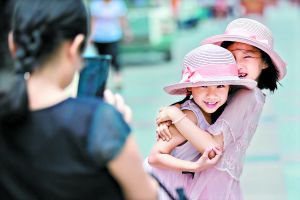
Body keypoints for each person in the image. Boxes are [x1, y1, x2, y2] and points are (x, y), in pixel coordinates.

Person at [0, 0, 158, 199]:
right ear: (74, 47)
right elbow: (145, 195)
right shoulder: (99, 121)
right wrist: (119, 129)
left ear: (13, 45)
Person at [155, 18, 287, 199]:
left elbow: (213, 146)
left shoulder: (247, 95)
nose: (239, 64)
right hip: (214, 181)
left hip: (212, 183)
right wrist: (173, 113)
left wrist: (176, 115)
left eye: (247, 56)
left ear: (265, 63)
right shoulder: (228, 91)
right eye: (232, 56)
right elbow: (196, 109)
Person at [145, 44, 257, 199]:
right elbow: (155, 157)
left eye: (220, 86)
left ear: (229, 88)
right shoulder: (189, 116)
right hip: (163, 183)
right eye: (203, 85)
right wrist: (195, 167)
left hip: (180, 182)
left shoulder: (216, 113)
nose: (212, 95)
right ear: (190, 88)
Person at [89, 0, 132, 90]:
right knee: (102, 59)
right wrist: (91, 35)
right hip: (99, 37)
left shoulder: (118, 4)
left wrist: (126, 32)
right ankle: (103, 81)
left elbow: (122, 20)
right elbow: (93, 21)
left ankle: (117, 78)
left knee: (114, 57)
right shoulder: (96, 4)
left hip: (113, 36)